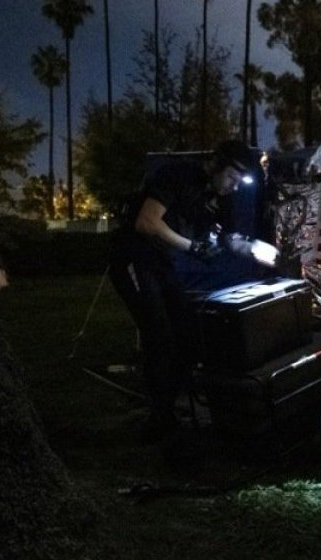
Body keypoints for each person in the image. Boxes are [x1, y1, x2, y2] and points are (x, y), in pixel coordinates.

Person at [109, 139, 264, 440]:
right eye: (232, 178)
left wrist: (256, 249)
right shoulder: (176, 175)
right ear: (217, 165)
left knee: (187, 333)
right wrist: (193, 247)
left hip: (162, 263)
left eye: (239, 182)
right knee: (158, 335)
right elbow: (147, 222)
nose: (234, 187)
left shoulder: (218, 196)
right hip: (134, 258)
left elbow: (227, 238)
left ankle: (172, 402)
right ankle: (160, 418)